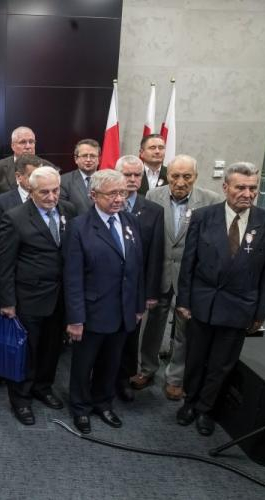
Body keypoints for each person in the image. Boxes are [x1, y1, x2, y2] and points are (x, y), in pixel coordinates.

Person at [176, 162, 265, 436]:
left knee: (222, 363)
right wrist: (184, 301)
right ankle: (189, 401)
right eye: (240, 187)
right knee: (196, 357)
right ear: (226, 188)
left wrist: (261, 313)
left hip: (239, 306)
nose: (247, 193)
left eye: (252, 188)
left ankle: (206, 409)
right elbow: (189, 262)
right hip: (203, 303)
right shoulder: (203, 216)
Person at [131, 155, 221, 398]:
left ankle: (175, 378)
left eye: (187, 176)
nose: (180, 182)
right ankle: (146, 368)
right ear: (167, 175)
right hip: (159, 273)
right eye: (175, 176)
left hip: (190, 277)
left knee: (184, 328)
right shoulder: (153, 196)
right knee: (151, 326)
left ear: (195, 177)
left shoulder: (211, 201)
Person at [65, 169, 145, 434]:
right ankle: (80, 407)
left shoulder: (130, 222)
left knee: (111, 363)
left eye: (123, 192)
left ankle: (103, 402)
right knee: (83, 364)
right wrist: (75, 318)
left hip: (122, 310)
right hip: (91, 312)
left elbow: (136, 268)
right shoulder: (79, 227)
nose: (119, 198)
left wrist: (138, 306)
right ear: (93, 195)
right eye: (112, 193)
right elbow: (73, 276)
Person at [0, 166, 77, 426]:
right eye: (45, 192)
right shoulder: (14, 217)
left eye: (56, 190)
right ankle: (21, 399)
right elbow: (4, 265)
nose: (52, 197)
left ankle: (43, 387)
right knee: (27, 352)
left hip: (60, 297)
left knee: (52, 348)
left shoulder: (68, 210)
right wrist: (7, 302)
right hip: (28, 298)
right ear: (31, 191)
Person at [113, 155, 164, 402]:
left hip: (135, 288)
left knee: (130, 338)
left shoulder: (153, 210)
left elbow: (155, 255)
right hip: (106, 286)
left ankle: (123, 380)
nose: (133, 180)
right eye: (127, 175)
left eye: (137, 175)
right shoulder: (103, 204)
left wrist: (151, 293)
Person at [0, 154, 41, 249]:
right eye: (32, 176)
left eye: (40, 176)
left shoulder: (47, 199)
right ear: (18, 176)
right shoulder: (1, 202)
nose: (37, 180)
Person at [0, 126, 54, 196]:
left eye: (31, 142)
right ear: (13, 146)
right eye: (23, 142)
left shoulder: (48, 167)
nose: (28, 146)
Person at [59, 139, 100, 215]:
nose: (88, 160)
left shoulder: (106, 181)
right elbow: (63, 210)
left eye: (92, 156)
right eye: (84, 156)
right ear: (76, 159)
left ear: (98, 159)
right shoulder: (63, 181)